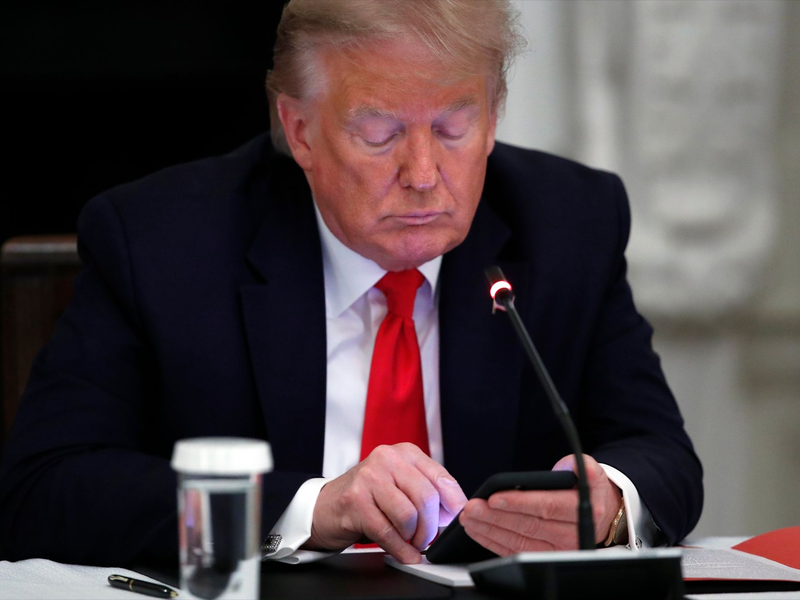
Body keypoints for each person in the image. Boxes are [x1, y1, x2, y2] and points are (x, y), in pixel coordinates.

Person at [0, 0, 702, 567]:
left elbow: (661, 454)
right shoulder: (160, 243)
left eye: (456, 127)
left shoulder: (569, 225)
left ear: (493, 118)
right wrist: (310, 507)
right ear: (298, 129)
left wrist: (609, 501)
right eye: (379, 133)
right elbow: (42, 489)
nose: (424, 172)